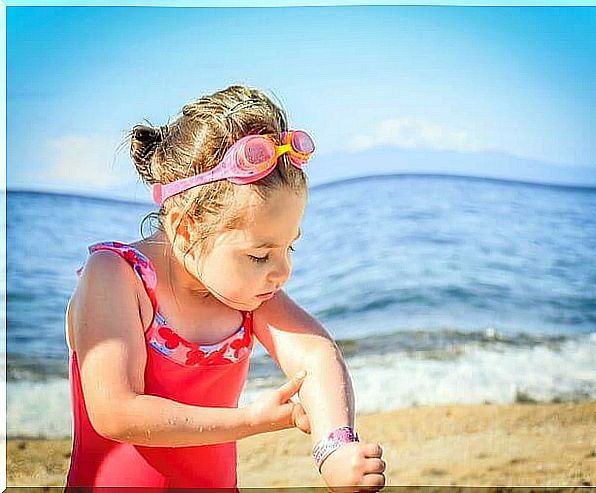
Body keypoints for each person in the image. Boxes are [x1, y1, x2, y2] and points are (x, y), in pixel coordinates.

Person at [64, 84, 386, 490]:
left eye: (290, 247)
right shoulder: (115, 276)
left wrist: (334, 447)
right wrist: (251, 421)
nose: (281, 271)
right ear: (186, 228)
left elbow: (316, 355)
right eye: (259, 254)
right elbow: (116, 412)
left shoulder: (243, 294)